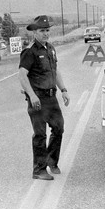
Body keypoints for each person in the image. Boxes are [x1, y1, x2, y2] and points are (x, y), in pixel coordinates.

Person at [19, 15, 70, 181]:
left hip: (51, 97)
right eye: (42, 31)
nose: (46, 33)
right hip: (37, 99)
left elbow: (55, 72)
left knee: (59, 128)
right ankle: (39, 170)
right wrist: (32, 95)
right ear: (34, 32)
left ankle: (52, 162)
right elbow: (22, 75)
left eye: (47, 30)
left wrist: (63, 90)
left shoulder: (50, 49)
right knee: (40, 135)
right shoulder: (30, 51)